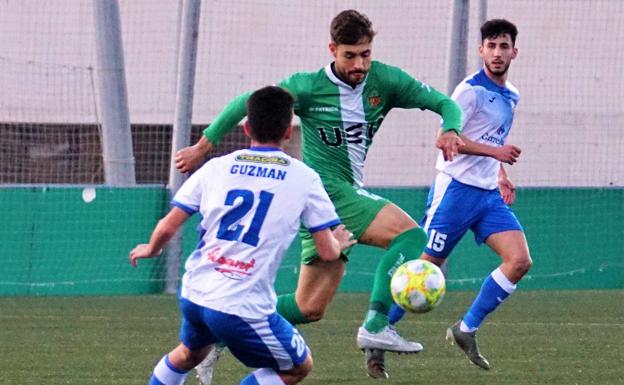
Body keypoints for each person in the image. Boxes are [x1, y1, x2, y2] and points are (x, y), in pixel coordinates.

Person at [176, 10, 464, 381]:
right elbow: (249, 103)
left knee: (308, 307)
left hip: (325, 203)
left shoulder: (386, 81)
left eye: (365, 54)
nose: (359, 64)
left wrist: (451, 128)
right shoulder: (309, 86)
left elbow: (445, 103)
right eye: (350, 55)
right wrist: (203, 147)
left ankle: (218, 334)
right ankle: (376, 324)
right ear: (332, 50)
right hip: (328, 190)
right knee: (412, 236)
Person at [130, 85, 355, 385]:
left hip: (195, 293)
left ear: (247, 127)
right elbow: (326, 253)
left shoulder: (216, 168)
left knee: (189, 353)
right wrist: (337, 243)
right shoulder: (304, 177)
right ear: (289, 132)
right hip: (240, 305)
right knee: (297, 367)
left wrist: (151, 248)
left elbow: (169, 225)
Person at [387, 19, 533, 370]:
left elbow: (492, 139)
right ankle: (381, 328)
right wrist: (497, 156)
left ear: (515, 51)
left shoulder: (512, 94)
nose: (497, 53)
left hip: (486, 195)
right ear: (481, 50)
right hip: (455, 190)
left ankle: (466, 328)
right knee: (426, 267)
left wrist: (500, 173)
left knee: (519, 261)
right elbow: (446, 140)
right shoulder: (468, 91)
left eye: (504, 46)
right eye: (491, 46)